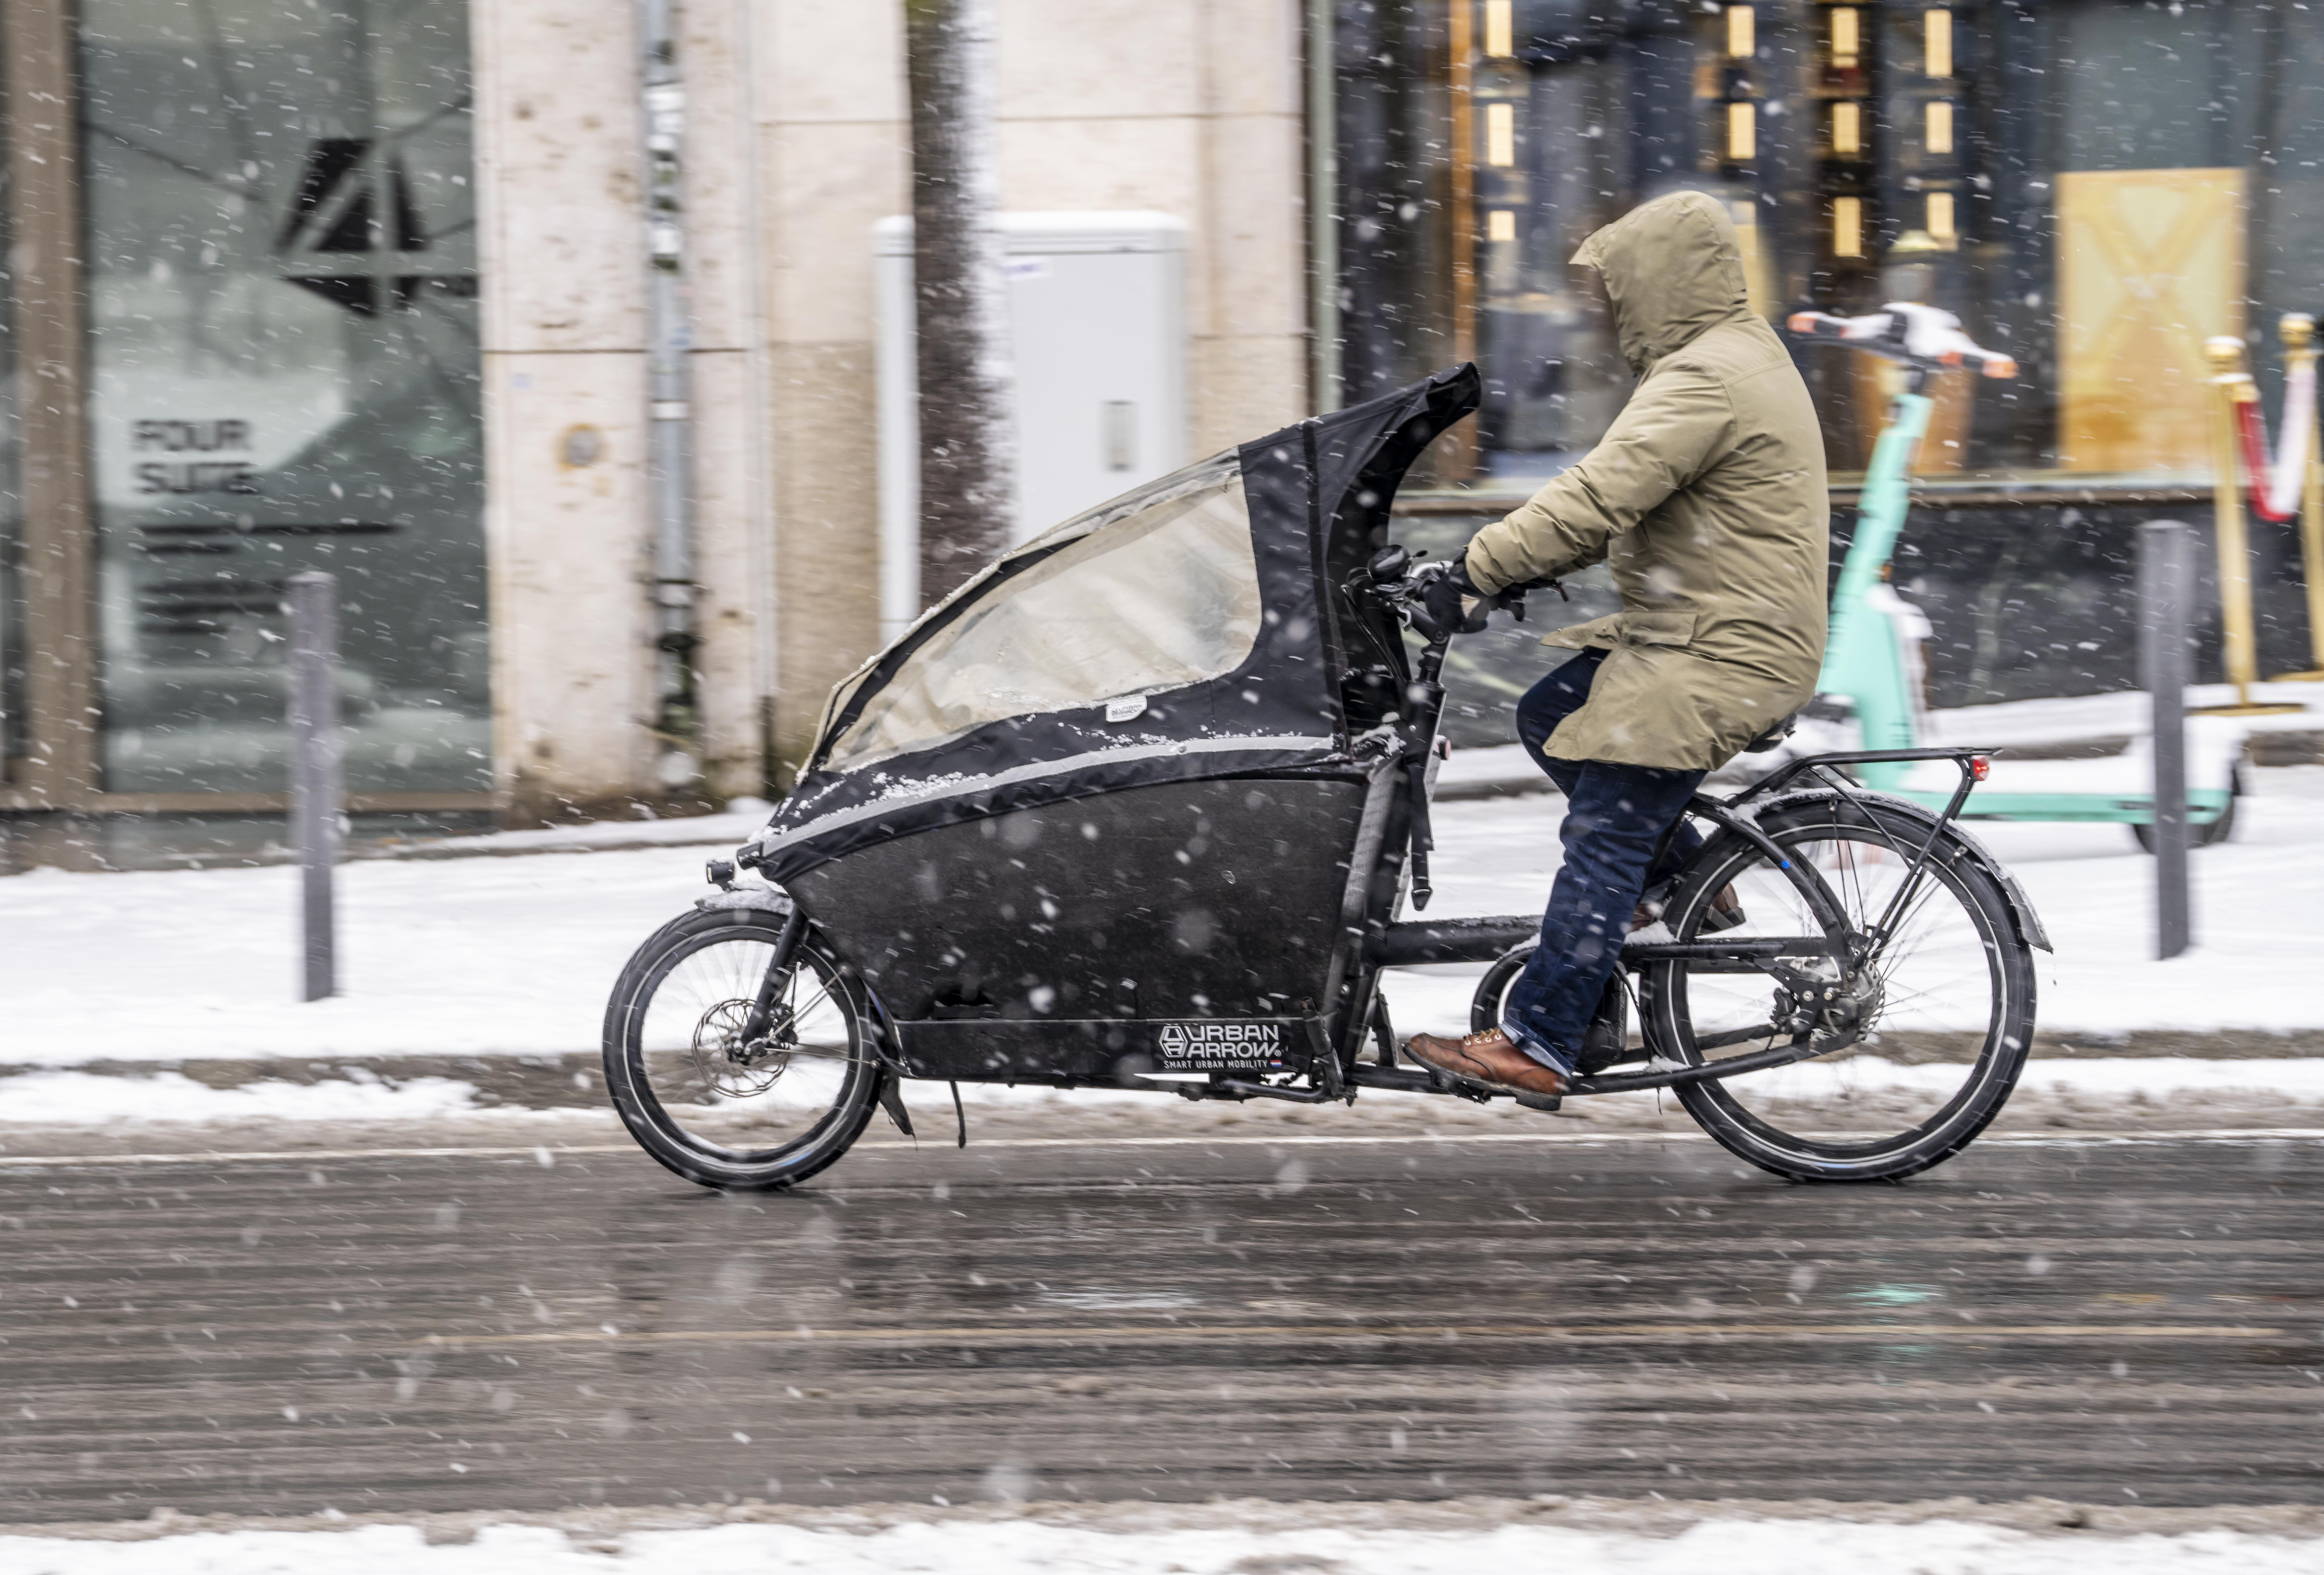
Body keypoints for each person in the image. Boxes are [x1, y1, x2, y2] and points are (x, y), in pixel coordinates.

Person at [1403, 190, 1830, 1098]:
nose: (1606, 308)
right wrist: (1510, 571)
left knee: (1603, 833)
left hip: (1717, 649)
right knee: (1550, 711)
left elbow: (1598, 496)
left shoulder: (1705, 376)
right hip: (1720, 631)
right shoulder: (1734, 355)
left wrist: (1476, 568)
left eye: (1616, 286)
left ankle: (1542, 1038)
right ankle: (1686, 879)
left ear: (1659, 281)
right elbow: (1626, 504)